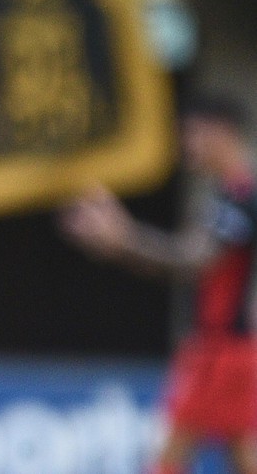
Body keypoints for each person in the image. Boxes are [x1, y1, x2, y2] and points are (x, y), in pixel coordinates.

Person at [61, 93, 257, 474]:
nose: (189, 144)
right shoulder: (226, 196)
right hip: (226, 348)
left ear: (223, 133)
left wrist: (124, 238)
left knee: (168, 459)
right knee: (240, 455)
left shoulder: (239, 198)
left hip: (223, 352)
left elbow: (193, 259)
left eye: (196, 133)